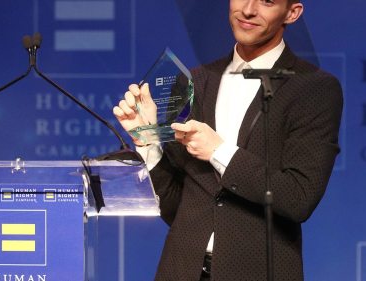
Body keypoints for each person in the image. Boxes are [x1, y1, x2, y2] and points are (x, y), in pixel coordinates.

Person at [113, 0, 343, 280]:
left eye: (267, 1)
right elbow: (176, 207)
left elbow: (297, 198)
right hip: (181, 270)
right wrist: (148, 141)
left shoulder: (313, 89)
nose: (248, 9)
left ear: (292, 13)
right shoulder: (194, 82)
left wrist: (219, 151)